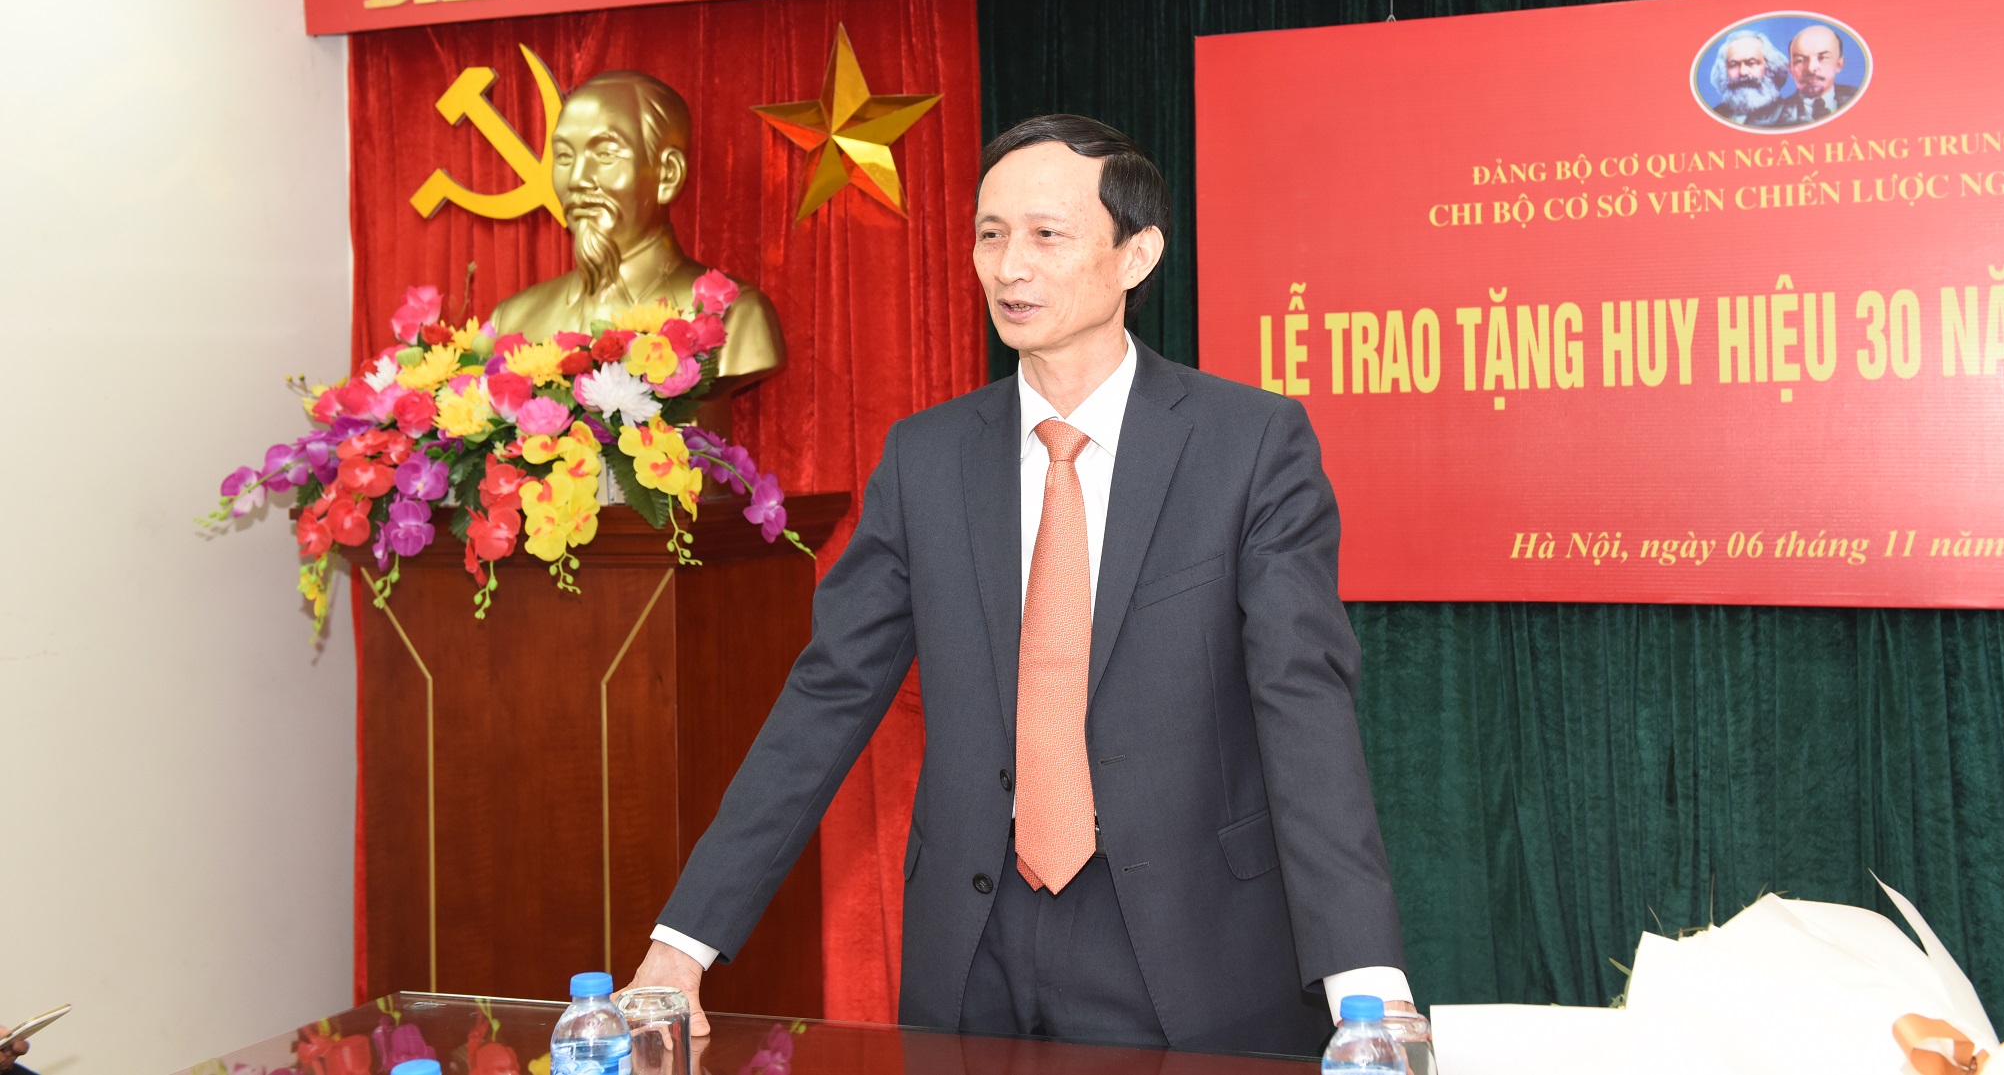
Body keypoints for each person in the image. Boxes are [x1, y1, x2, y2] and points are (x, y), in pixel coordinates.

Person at [627, 115, 1413, 1055]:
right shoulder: (926, 458)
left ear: (1136, 254)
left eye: (1046, 235)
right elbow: (827, 696)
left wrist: (1365, 984)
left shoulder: (1248, 445)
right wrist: (683, 941)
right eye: (990, 234)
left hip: (1190, 942)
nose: (1008, 267)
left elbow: (1302, 701)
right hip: (973, 946)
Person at [489, 70, 784, 399]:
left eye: (605, 155)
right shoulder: (513, 322)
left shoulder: (734, 316)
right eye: (565, 157)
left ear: (667, 174)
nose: (576, 180)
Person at [1705, 28, 1792, 127]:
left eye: (1751, 63)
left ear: (1770, 67)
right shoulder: (1716, 114)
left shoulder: (1789, 116)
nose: (1742, 72)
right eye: (1734, 64)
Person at [1774, 24, 1860, 124]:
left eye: (1822, 58)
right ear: (1791, 69)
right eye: (1800, 60)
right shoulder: (1774, 118)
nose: (1811, 68)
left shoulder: (1862, 99)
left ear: (1839, 64)